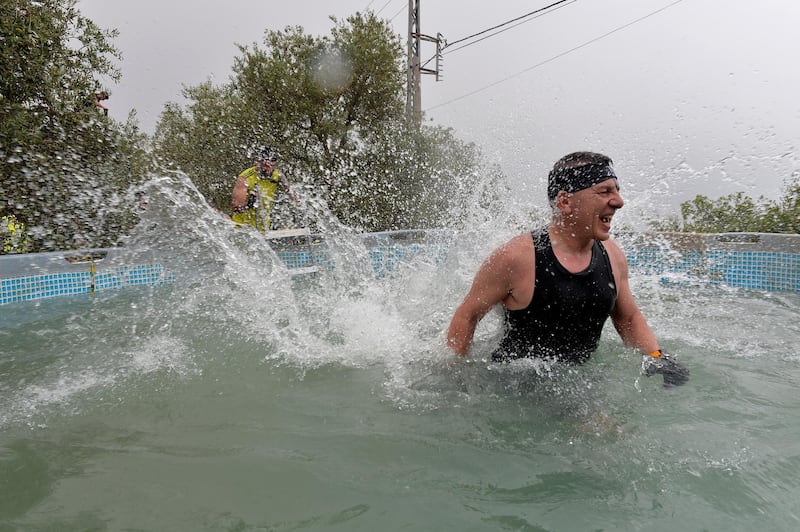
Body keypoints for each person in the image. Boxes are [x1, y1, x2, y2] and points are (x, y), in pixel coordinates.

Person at [446, 151, 688, 386]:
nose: (618, 202)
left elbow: (629, 318)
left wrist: (656, 358)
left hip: (576, 381)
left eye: (617, 191)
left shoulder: (613, 256)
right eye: (604, 191)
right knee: (602, 426)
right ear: (565, 202)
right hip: (511, 384)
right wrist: (456, 376)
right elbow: (467, 315)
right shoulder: (516, 258)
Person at [230, 145, 297, 231]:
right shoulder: (245, 178)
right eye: (265, 166)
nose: (268, 170)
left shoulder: (278, 176)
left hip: (264, 229)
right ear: (257, 162)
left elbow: (295, 198)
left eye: (271, 166)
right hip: (243, 229)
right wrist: (250, 202)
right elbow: (236, 208)